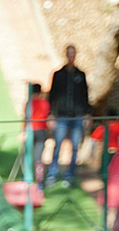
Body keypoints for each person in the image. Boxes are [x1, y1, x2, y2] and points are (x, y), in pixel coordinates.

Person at [45, 45, 91, 187]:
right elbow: (52, 95)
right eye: (69, 53)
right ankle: (52, 174)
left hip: (77, 116)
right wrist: (51, 114)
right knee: (57, 145)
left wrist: (87, 114)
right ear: (66, 54)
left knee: (75, 146)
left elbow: (85, 96)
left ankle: (70, 175)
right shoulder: (59, 74)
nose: (71, 56)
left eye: (73, 54)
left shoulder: (81, 75)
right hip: (62, 116)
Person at [23, 82, 50, 183]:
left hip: (30, 131)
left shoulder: (29, 103)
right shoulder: (45, 103)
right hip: (41, 131)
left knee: (27, 155)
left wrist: (23, 131)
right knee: (38, 157)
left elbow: (26, 118)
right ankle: (39, 180)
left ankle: (26, 176)